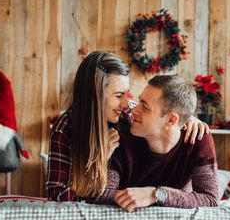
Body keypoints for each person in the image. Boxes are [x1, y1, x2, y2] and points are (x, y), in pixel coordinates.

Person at [46, 51, 209, 201]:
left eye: (126, 93)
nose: (127, 103)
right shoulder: (65, 128)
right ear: (94, 97)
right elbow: (58, 195)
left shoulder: (130, 113)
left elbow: (165, 114)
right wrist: (98, 161)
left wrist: (186, 118)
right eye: (118, 95)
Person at [91, 75, 219, 211]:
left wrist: (155, 195)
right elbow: (100, 194)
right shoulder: (119, 137)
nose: (133, 110)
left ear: (171, 120)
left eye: (145, 107)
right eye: (139, 101)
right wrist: (139, 197)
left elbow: (210, 199)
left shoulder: (197, 137)